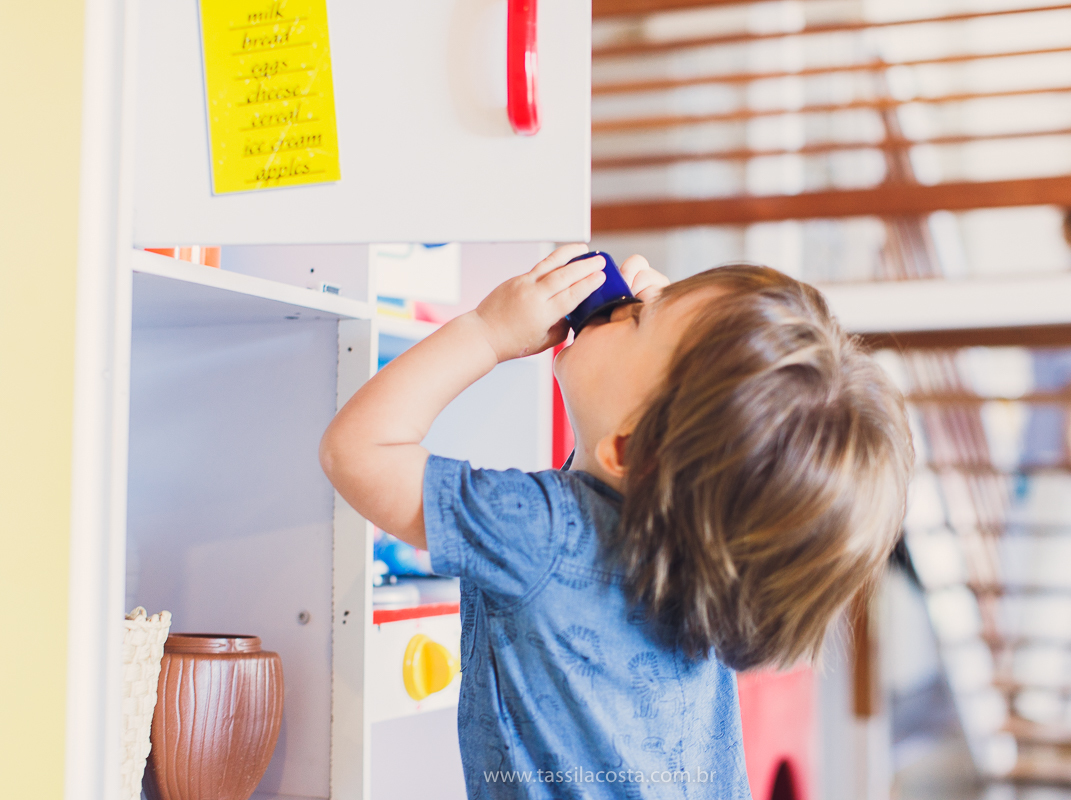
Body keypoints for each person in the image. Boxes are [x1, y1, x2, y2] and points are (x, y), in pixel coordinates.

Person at [320, 244, 913, 798]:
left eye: (637, 318)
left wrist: (486, 332)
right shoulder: (705, 575)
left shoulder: (542, 533)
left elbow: (359, 451)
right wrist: (664, 326)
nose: (633, 280)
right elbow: (609, 457)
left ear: (632, 452)